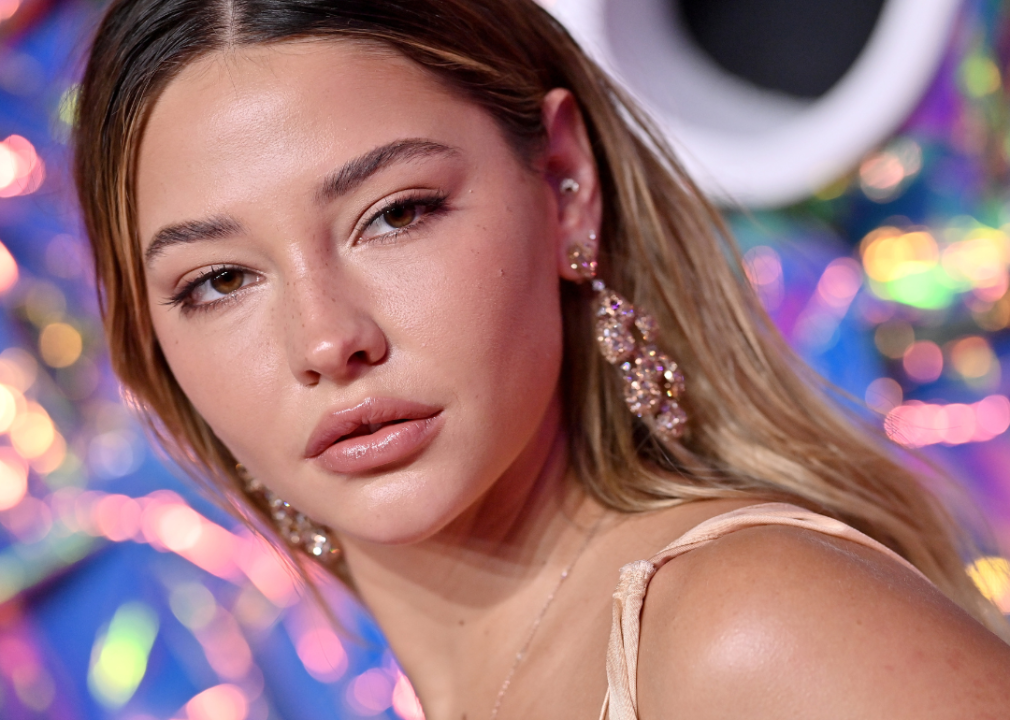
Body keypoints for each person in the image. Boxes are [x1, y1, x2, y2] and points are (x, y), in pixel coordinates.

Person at [74, 1, 1010, 717]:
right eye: (221, 280)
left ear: (565, 184)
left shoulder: (749, 632)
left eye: (396, 214)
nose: (327, 341)